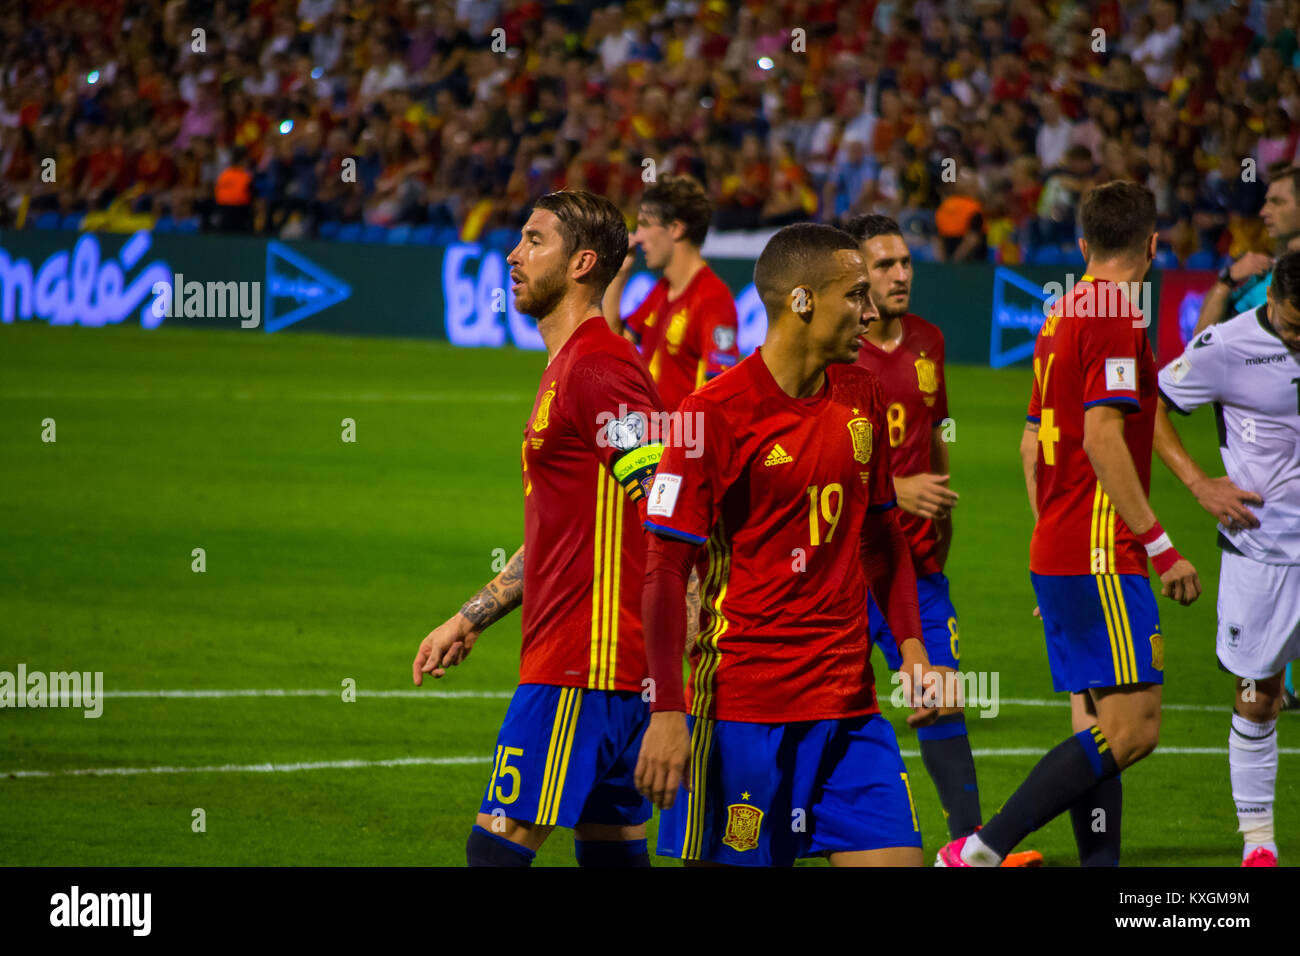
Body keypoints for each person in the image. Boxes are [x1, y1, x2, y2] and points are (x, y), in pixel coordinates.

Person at [634, 222, 941, 867]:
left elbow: (882, 534)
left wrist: (912, 648)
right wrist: (667, 711)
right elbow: (664, 569)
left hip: (848, 704)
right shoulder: (710, 413)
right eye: (855, 295)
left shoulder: (861, 395)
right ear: (801, 302)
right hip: (744, 707)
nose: (870, 310)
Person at [938, 181, 1201, 867]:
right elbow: (1103, 438)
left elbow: (1032, 445)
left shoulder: (1060, 311)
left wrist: (1051, 543)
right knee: (1135, 729)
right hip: (1100, 546)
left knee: (1096, 720)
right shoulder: (1118, 309)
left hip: (1062, 542)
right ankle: (982, 848)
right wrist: (1163, 546)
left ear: (1082, 245)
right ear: (1152, 244)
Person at [412, 190, 666, 867]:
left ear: (582, 262)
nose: (513, 254)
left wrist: (682, 651)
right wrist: (472, 615)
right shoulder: (573, 366)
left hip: (585, 665)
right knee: (612, 853)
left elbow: (668, 502)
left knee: (493, 853)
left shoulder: (599, 368)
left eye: (533, 240)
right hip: (607, 666)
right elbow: (568, 529)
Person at [846, 213, 1042, 867]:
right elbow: (820, 461)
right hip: (846, 567)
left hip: (919, 565)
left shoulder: (929, 340)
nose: (901, 274)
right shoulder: (838, 355)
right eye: (884, 265)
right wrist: (897, 492)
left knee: (940, 700)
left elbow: (935, 437)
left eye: (905, 262)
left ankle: (971, 846)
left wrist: (939, 518)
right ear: (855, 274)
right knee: (826, 710)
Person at [1155, 251, 1300, 866]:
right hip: (1263, 551)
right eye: (1294, 327)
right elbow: (1149, 408)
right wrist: (1199, 484)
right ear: (1271, 299)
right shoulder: (1223, 346)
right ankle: (1259, 843)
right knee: (1258, 692)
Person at [603, 175, 740, 411]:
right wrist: (619, 275)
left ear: (675, 229)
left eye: (645, 224)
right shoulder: (662, 291)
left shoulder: (712, 298)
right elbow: (611, 345)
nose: (638, 236)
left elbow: (721, 392)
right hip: (652, 439)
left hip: (682, 442)